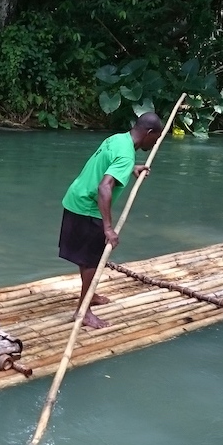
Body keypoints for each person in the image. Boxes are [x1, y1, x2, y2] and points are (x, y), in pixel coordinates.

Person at [59, 112, 164, 329]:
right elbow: (104, 186)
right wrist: (108, 228)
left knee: (87, 257)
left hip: (75, 197)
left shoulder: (118, 139)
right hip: (88, 207)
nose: (156, 143)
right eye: (156, 138)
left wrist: (130, 169)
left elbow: (107, 164)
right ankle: (84, 311)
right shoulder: (126, 154)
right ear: (149, 133)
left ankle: (90, 295)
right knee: (92, 260)